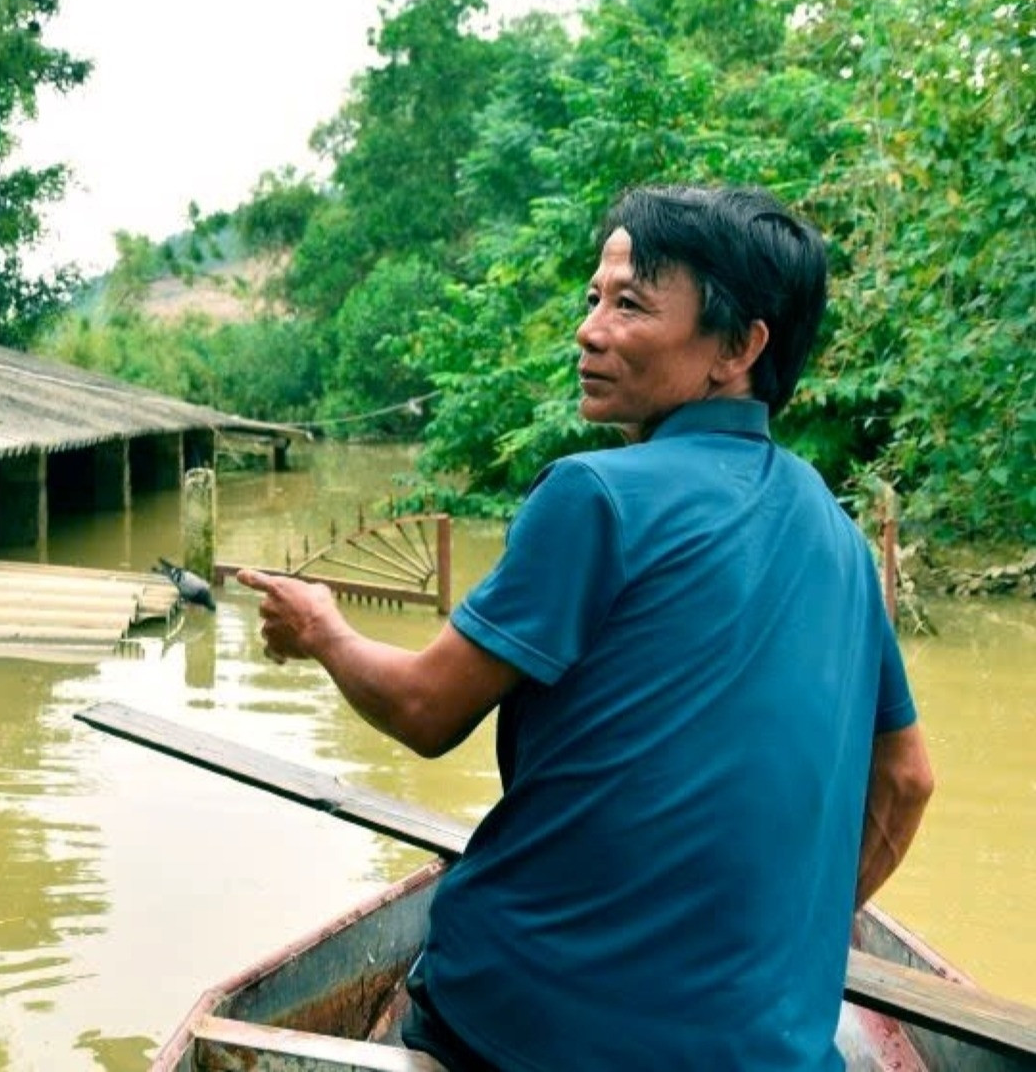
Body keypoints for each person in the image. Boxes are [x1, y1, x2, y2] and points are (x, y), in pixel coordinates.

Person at [238, 185, 933, 1071]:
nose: (590, 329)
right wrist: (781, 957)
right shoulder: (839, 536)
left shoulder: (596, 495)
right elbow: (907, 779)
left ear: (738, 346)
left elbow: (423, 712)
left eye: (632, 303)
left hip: (532, 1026)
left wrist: (324, 631)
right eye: (594, 299)